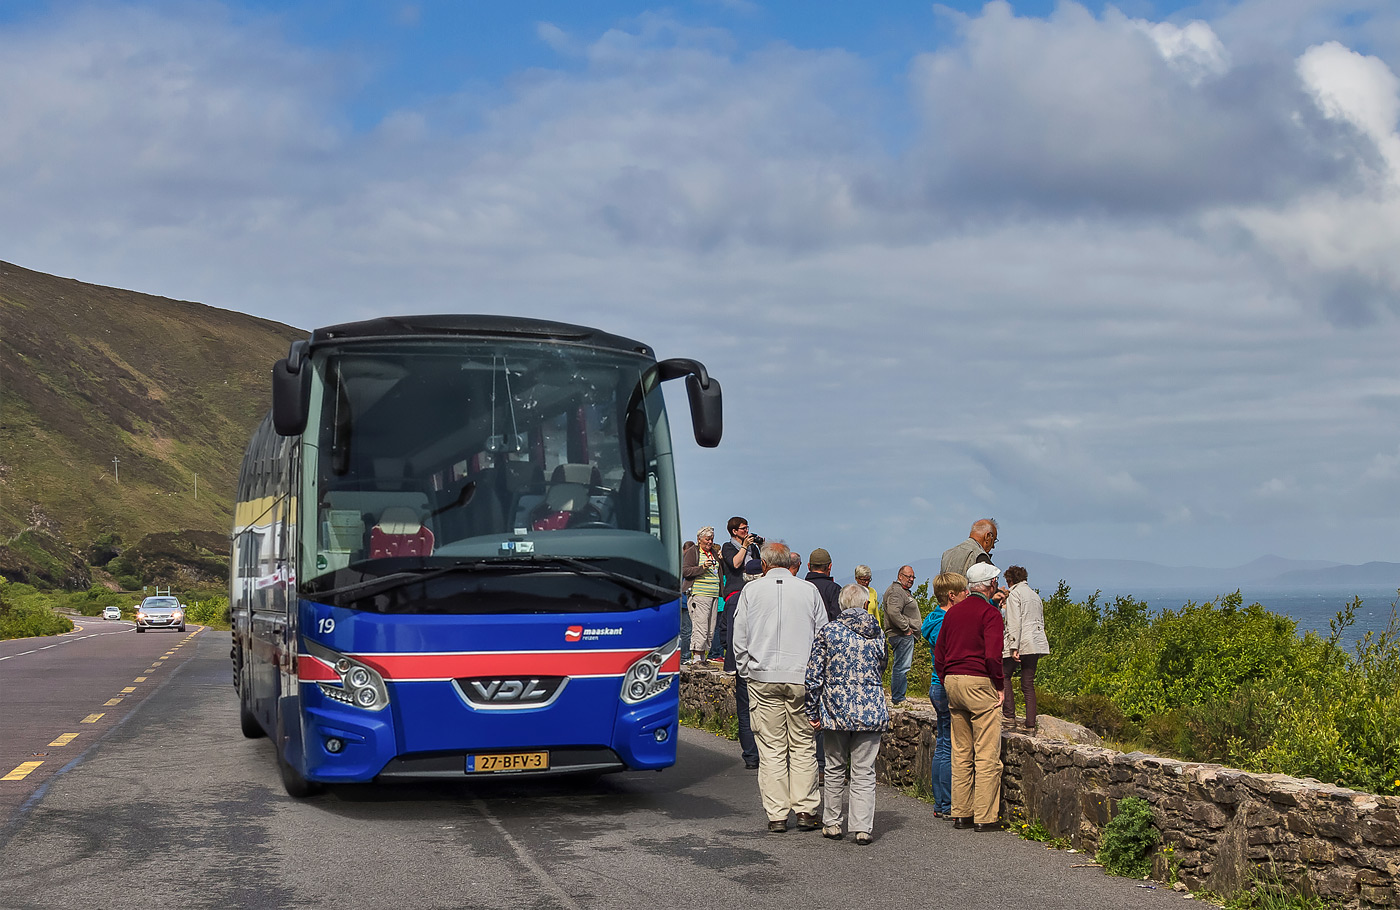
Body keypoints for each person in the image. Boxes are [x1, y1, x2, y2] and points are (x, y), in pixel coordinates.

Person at [732, 540, 827, 833]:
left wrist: (747, 671)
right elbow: (822, 637)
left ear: (763, 564)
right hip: (801, 677)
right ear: (790, 563)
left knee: (771, 748)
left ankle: (777, 815)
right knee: (803, 745)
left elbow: (739, 638)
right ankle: (806, 810)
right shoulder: (809, 591)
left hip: (762, 677)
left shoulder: (751, 591)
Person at [805, 583, 889, 845]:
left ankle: (832, 823)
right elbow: (882, 666)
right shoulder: (877, 633)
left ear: (841, 606)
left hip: (835, 709)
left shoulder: (828, 632)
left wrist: (812, 710)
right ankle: (862, 827)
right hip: (870, 710)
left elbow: (813, 675)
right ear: (866, 604)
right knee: (864, 770)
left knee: (834, 767)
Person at [934, 561, 1006, 832]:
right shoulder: (990, 614)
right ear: (991, 585)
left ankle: (961, 812)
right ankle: (984, 817)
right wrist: (999, 685)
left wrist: (947, 678)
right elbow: (993, 655)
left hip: (953, 681)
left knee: (961, 751)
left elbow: (940, 653)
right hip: (979, 681)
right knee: (986, 753)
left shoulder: (952, 613)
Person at [920, 572, 967, 819]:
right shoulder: (943, 623)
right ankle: (947, 802)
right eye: (963, 591)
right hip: (945, 685)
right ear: (951, 595)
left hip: (936, 686)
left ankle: (940, 802)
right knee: (948, 745)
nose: (967, 594)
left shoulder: (933, 619)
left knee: (942, 744)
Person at [720, 516, 762, 769]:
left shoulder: (753, 546)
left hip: (752, 593)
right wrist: (745, 547)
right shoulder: (728, 547)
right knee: (747, 708)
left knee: (747, 706)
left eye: (748, 528)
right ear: (734, 531)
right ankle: (752, 756)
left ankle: (756, 755)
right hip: (736, 593)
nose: (747, 531)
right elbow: (735, 565)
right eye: (743, 529)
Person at [1001, 565, 1050, 731]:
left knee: (1004, 675)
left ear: (1010, 580)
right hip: (1036, 642)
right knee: (1028, 683)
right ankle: (1030, 725)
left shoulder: (1015, 594)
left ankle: (1009, 716)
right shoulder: (1035, 596)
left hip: (1022, 641)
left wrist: (1014, 646)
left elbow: (1014, 621)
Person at [681, 528, 723, 665]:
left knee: (711, 627)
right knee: (701, 626)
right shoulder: (693, 551)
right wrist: (702, 568)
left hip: (714, 594)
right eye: (707, 539)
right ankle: (697, 658)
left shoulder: (713, 553)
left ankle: (703, 658)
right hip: (700, 593)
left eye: (712, 539)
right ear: (699, 539)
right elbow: (685, 571)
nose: (710, 542)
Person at [881, 565, 921, 705]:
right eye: (908, 576)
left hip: (903, 635)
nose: (911, 579)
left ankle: (899, 696)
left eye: (913, 577)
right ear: (900, 576)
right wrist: (906, 629)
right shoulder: (896, 592)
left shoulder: (901, 591)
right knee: (901, 666)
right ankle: (898, 698)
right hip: (901, 635)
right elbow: (893, 612)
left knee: (902, 666)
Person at [804, 548, 842, 621]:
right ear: (829, 566)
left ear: (809, 566)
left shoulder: (800, 587)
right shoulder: (834, 589)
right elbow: (837, 617)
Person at [680, 541, 695, 662]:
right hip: (685, 601)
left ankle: (682, 655)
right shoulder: (690, 564)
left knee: (684, 630)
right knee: (687, 630)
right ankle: (685, 656)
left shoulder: (678, 563)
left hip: (680, 601)